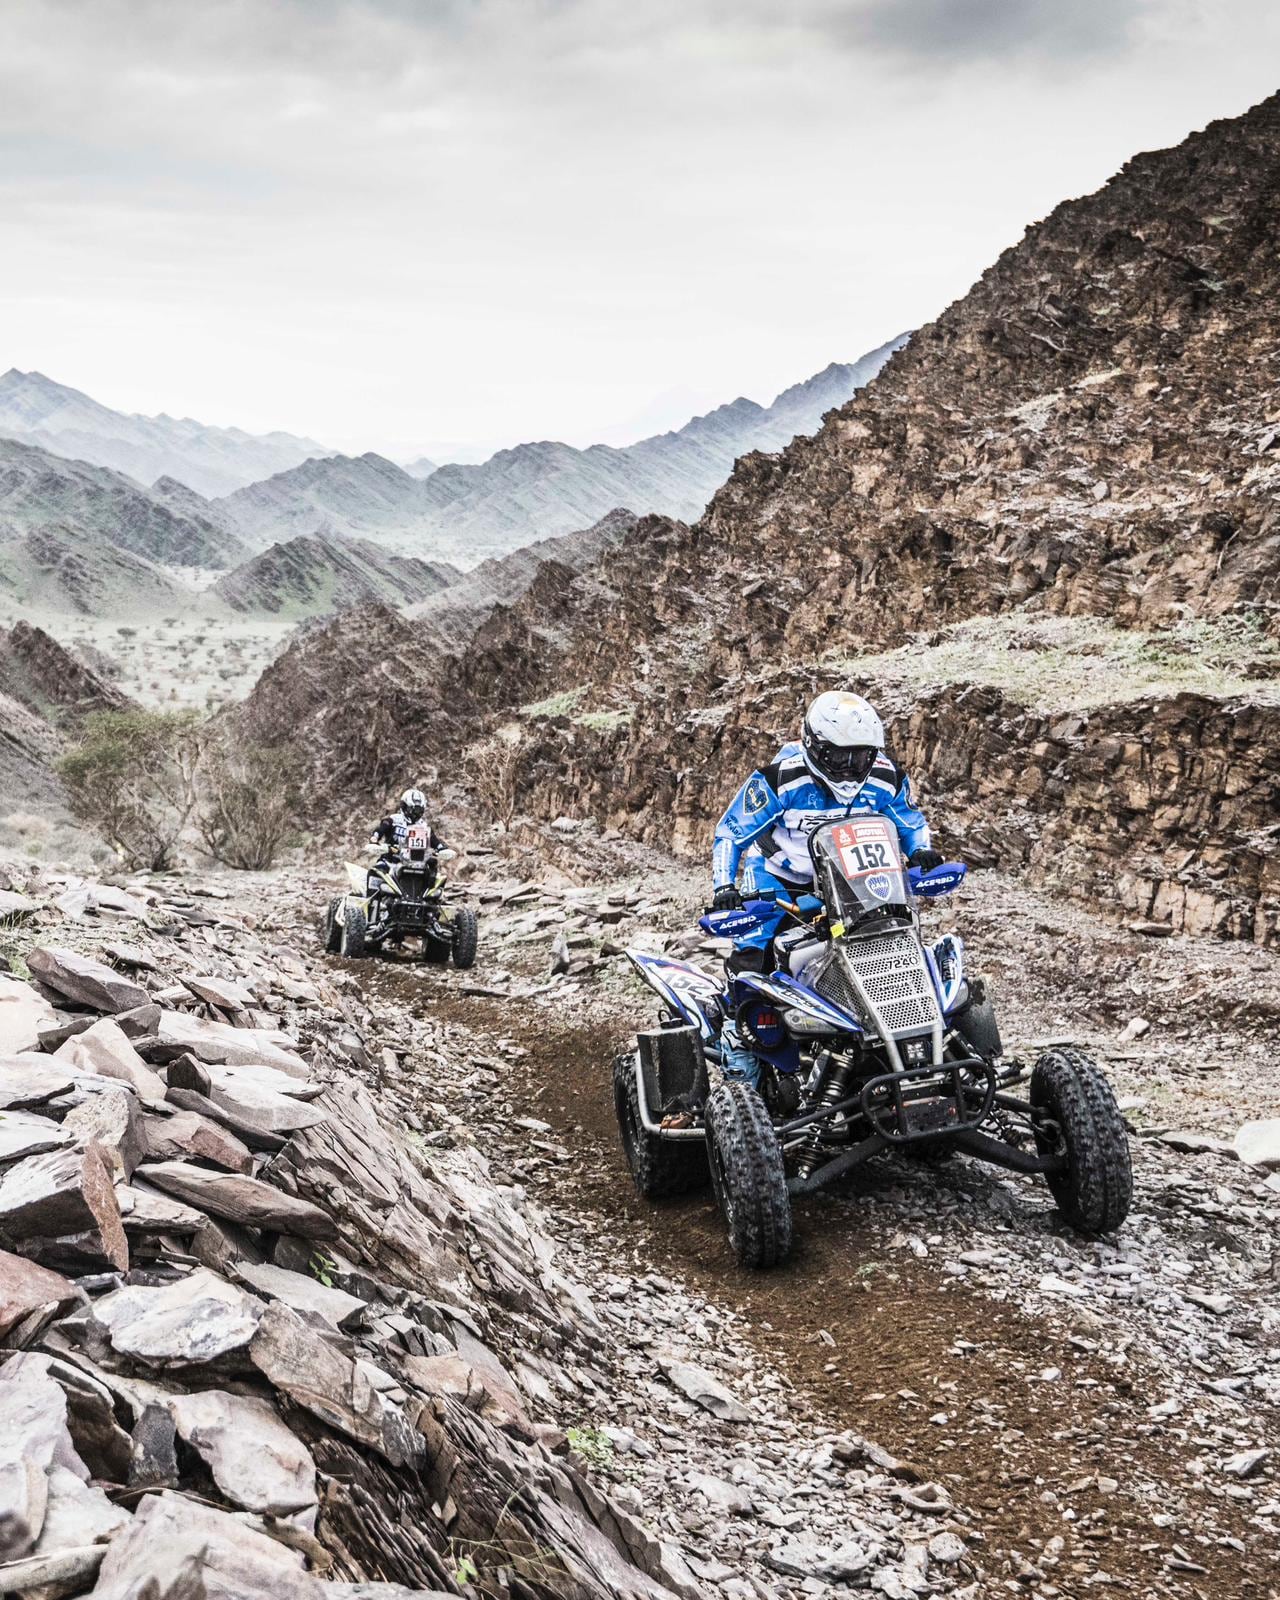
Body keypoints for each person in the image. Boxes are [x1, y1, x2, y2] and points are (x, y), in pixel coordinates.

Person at [708, 691, 941, 1086]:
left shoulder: (885, 776)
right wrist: (724, 886)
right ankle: (740, 1065)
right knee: (752, 963)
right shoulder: (778, 780)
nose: (851, 768)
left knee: (891, 947)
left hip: (852, 881)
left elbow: (909, 821)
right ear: (814, 746)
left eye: (861, 756)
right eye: (840, 757)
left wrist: (921, 851)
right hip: (777, 880)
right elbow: (730, 834)